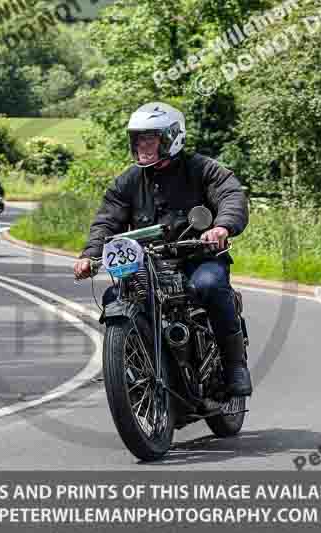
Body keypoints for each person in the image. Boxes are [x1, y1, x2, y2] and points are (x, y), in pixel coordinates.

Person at [73, 102, 252, 396]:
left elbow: (231, 195)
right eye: (139, 139)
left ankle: (234, 365)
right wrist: (89, 255)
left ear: (171, 137)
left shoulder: (202, 169)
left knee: (209, 285)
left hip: (197, 255)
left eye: (151, 138)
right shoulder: (128, 181)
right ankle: (139, 366)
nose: (143, 145)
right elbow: (107, 220)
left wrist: (222, 227)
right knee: (115, 296)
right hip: (150, 262)